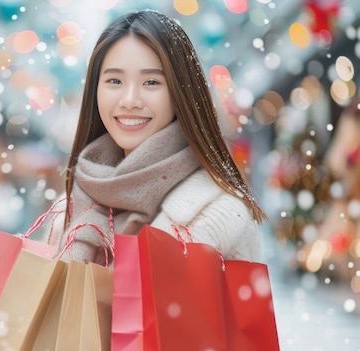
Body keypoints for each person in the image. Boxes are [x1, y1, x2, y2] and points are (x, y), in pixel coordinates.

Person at [48, 10, 267, 265]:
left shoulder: (219, 213)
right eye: (115, 80)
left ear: (180, 93)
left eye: (151, 82)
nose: (129, 100)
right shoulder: (69, 207)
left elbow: (234, 304)